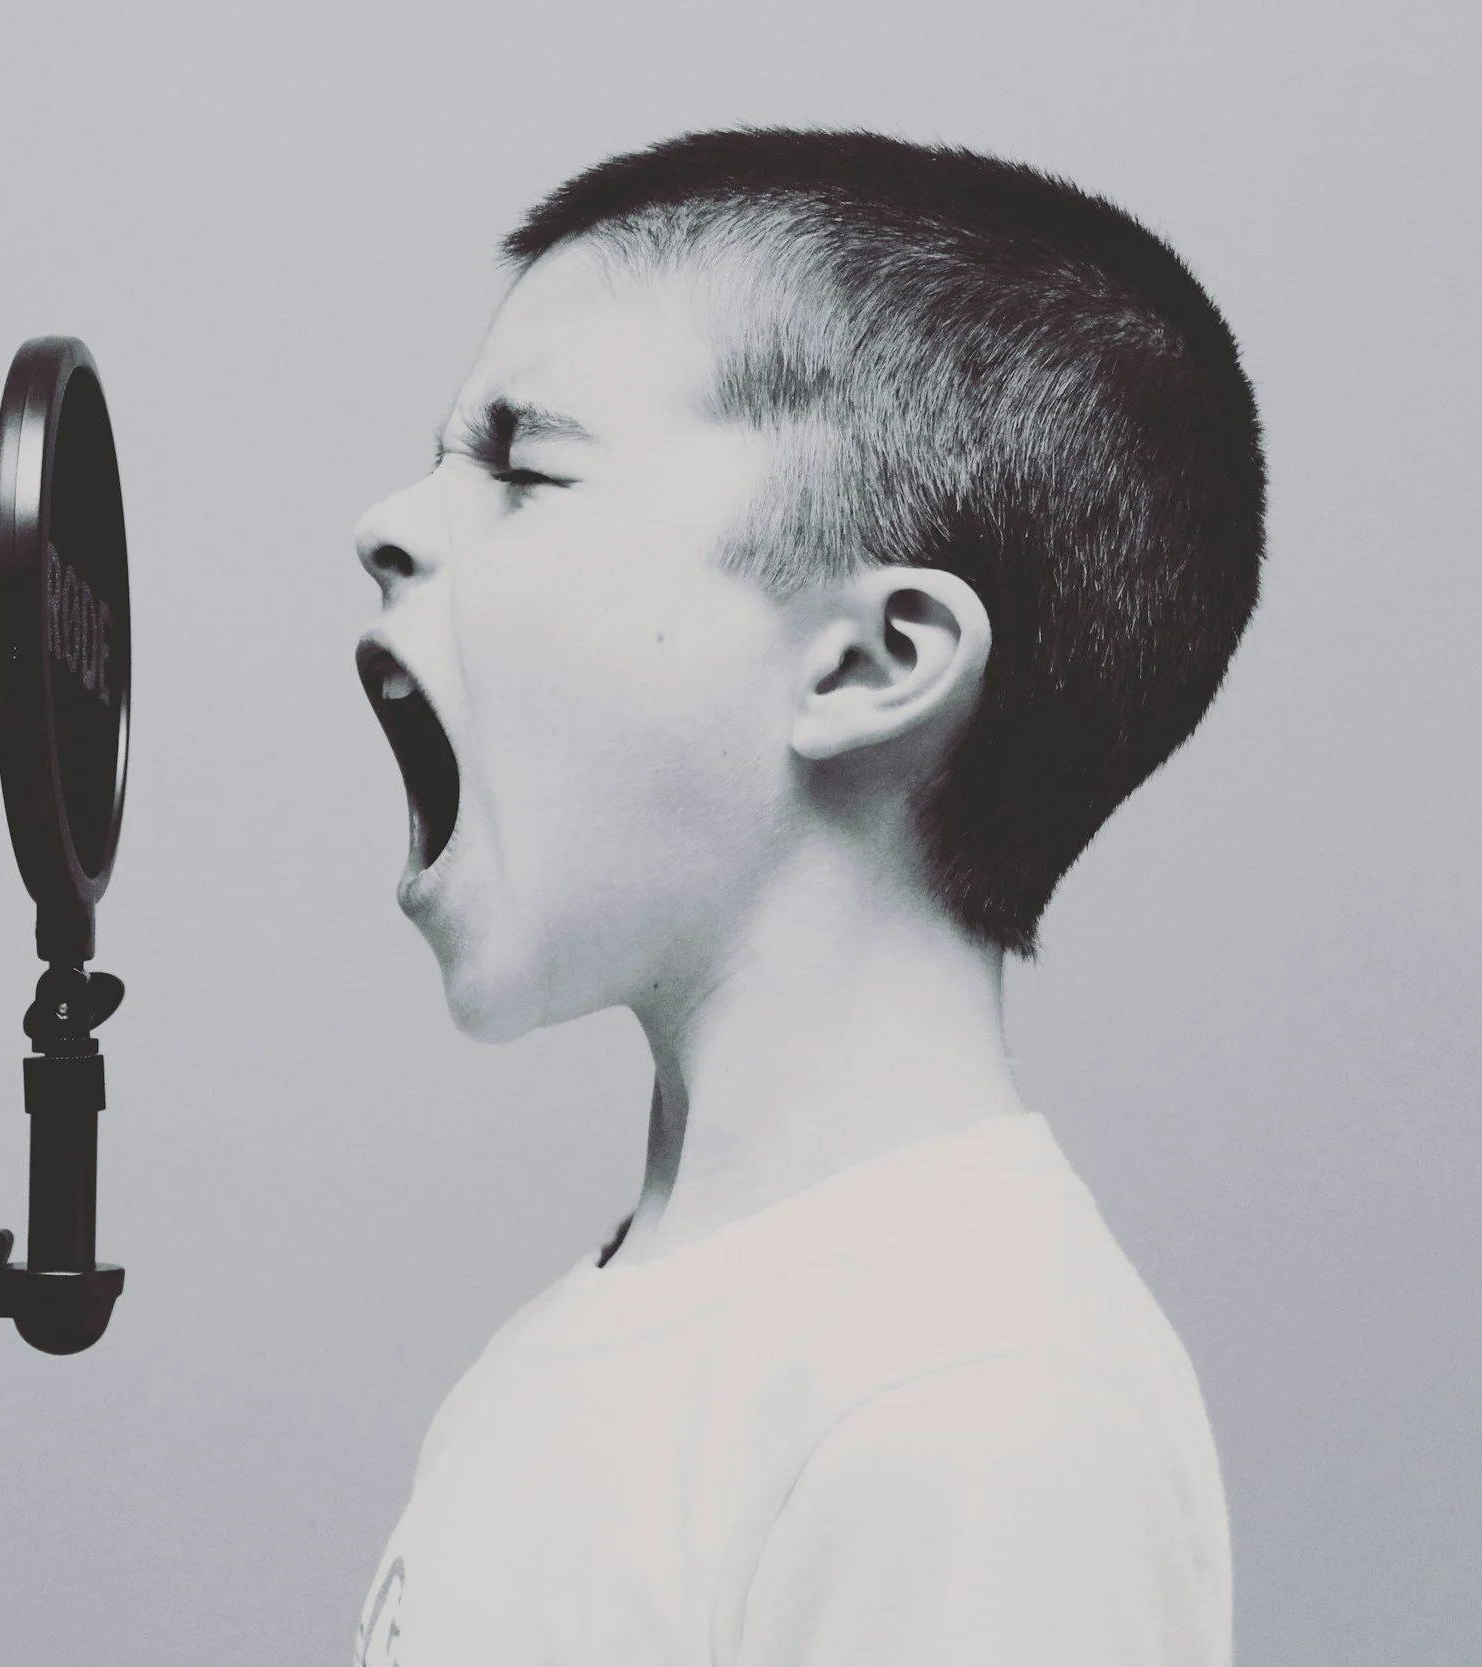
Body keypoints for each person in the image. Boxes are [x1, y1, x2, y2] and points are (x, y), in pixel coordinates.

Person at [350, 129, 1261, 1667]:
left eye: (523, 463)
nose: (390, 522)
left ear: (871, 659)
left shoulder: (973, 1407)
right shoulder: (582, 1351)